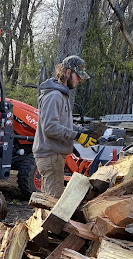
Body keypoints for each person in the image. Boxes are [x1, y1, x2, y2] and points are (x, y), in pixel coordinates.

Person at [33, 55, 96, 197]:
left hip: (53, 156)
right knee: (53, 204)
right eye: (78, 76)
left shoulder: (62, 95)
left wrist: (83, 132)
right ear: (68, 73)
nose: (79, 80)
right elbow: (50, 127)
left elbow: (63, 124)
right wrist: (77, 136)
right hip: (50, 156)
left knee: (47, 201)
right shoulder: (54, 96)